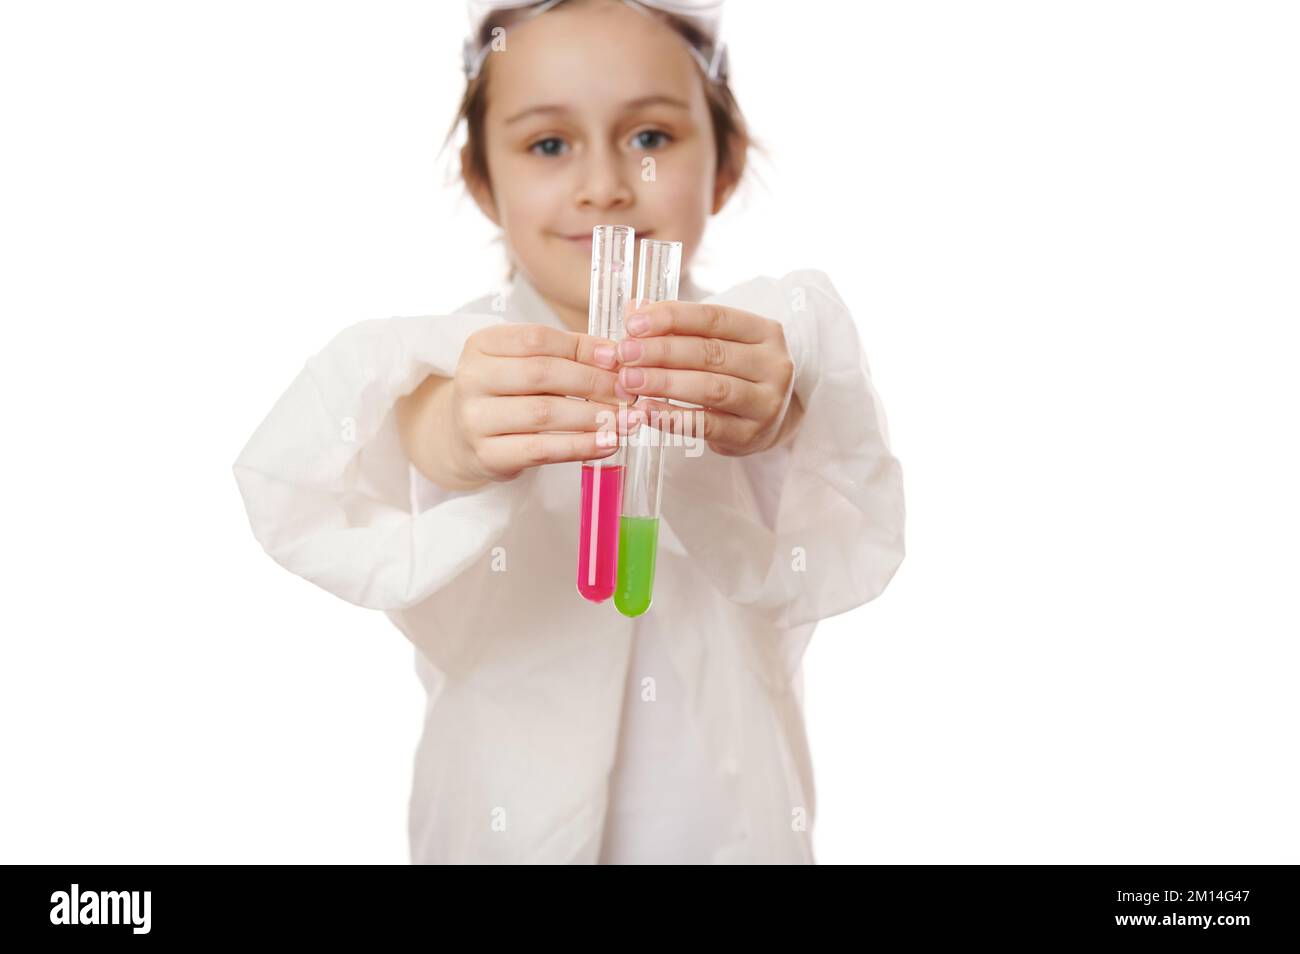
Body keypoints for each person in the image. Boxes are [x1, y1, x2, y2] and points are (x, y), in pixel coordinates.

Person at [231, 0, 905, 864]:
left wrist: (783, 411)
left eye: (651, 138)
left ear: (725, 164)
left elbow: (844, 482)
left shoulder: (761, 351)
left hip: (728, 831)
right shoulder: (453, 366)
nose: (605, 186)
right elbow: (380, 445)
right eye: (548, 144)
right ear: (483, 180)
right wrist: (456, 436)